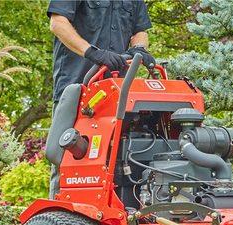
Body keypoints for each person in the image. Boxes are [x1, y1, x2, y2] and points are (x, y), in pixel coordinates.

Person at [46, 0, 156, 198]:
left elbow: (140, 31)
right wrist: (92, 52)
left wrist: (139, 49)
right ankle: (59, 219)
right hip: (77, 88)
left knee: (118, 159)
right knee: (67, 157)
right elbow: (58, 23)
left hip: (117, 93)